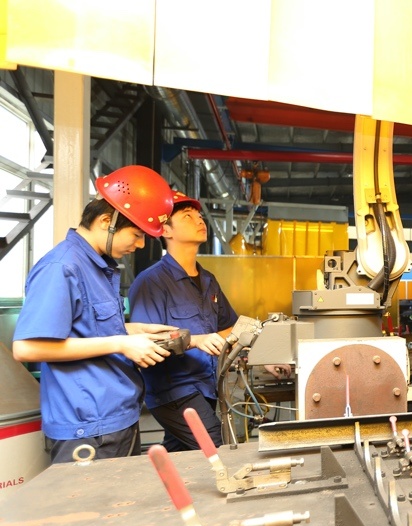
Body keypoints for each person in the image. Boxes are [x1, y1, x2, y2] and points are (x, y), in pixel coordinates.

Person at [12, 165, 176, 464]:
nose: (139, 245)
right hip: (87, 429)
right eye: (137, 235)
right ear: (105, 221)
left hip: (117, 417)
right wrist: (121, 344)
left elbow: (87, 330)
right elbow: (27, 347)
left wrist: (133, 331)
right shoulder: (62, 267)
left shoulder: (99, 267)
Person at [128, 191, 288, 452]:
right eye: (188, 216)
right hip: (175, 392)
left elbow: (233, 327)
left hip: (206, 386)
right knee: (219, 450)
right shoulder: (151, 282)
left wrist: (263, 356)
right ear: (165, 230)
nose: (199, 220)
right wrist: (196, 340)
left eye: (200, 215)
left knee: (184, 456)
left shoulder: (208, 280)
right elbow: (146, 343)